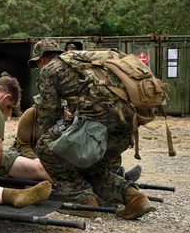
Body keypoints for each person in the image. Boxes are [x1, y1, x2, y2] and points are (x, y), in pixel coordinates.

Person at [34, 50, 156, 220]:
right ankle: (134, 197)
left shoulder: (50, 69)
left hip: (97, 127)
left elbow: (48, 116)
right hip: (125, 126)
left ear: (42, 59)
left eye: (37, 64)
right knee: (91, 169)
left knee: (46, 148)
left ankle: (84, 201)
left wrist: (60, 144)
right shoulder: (92, 60)